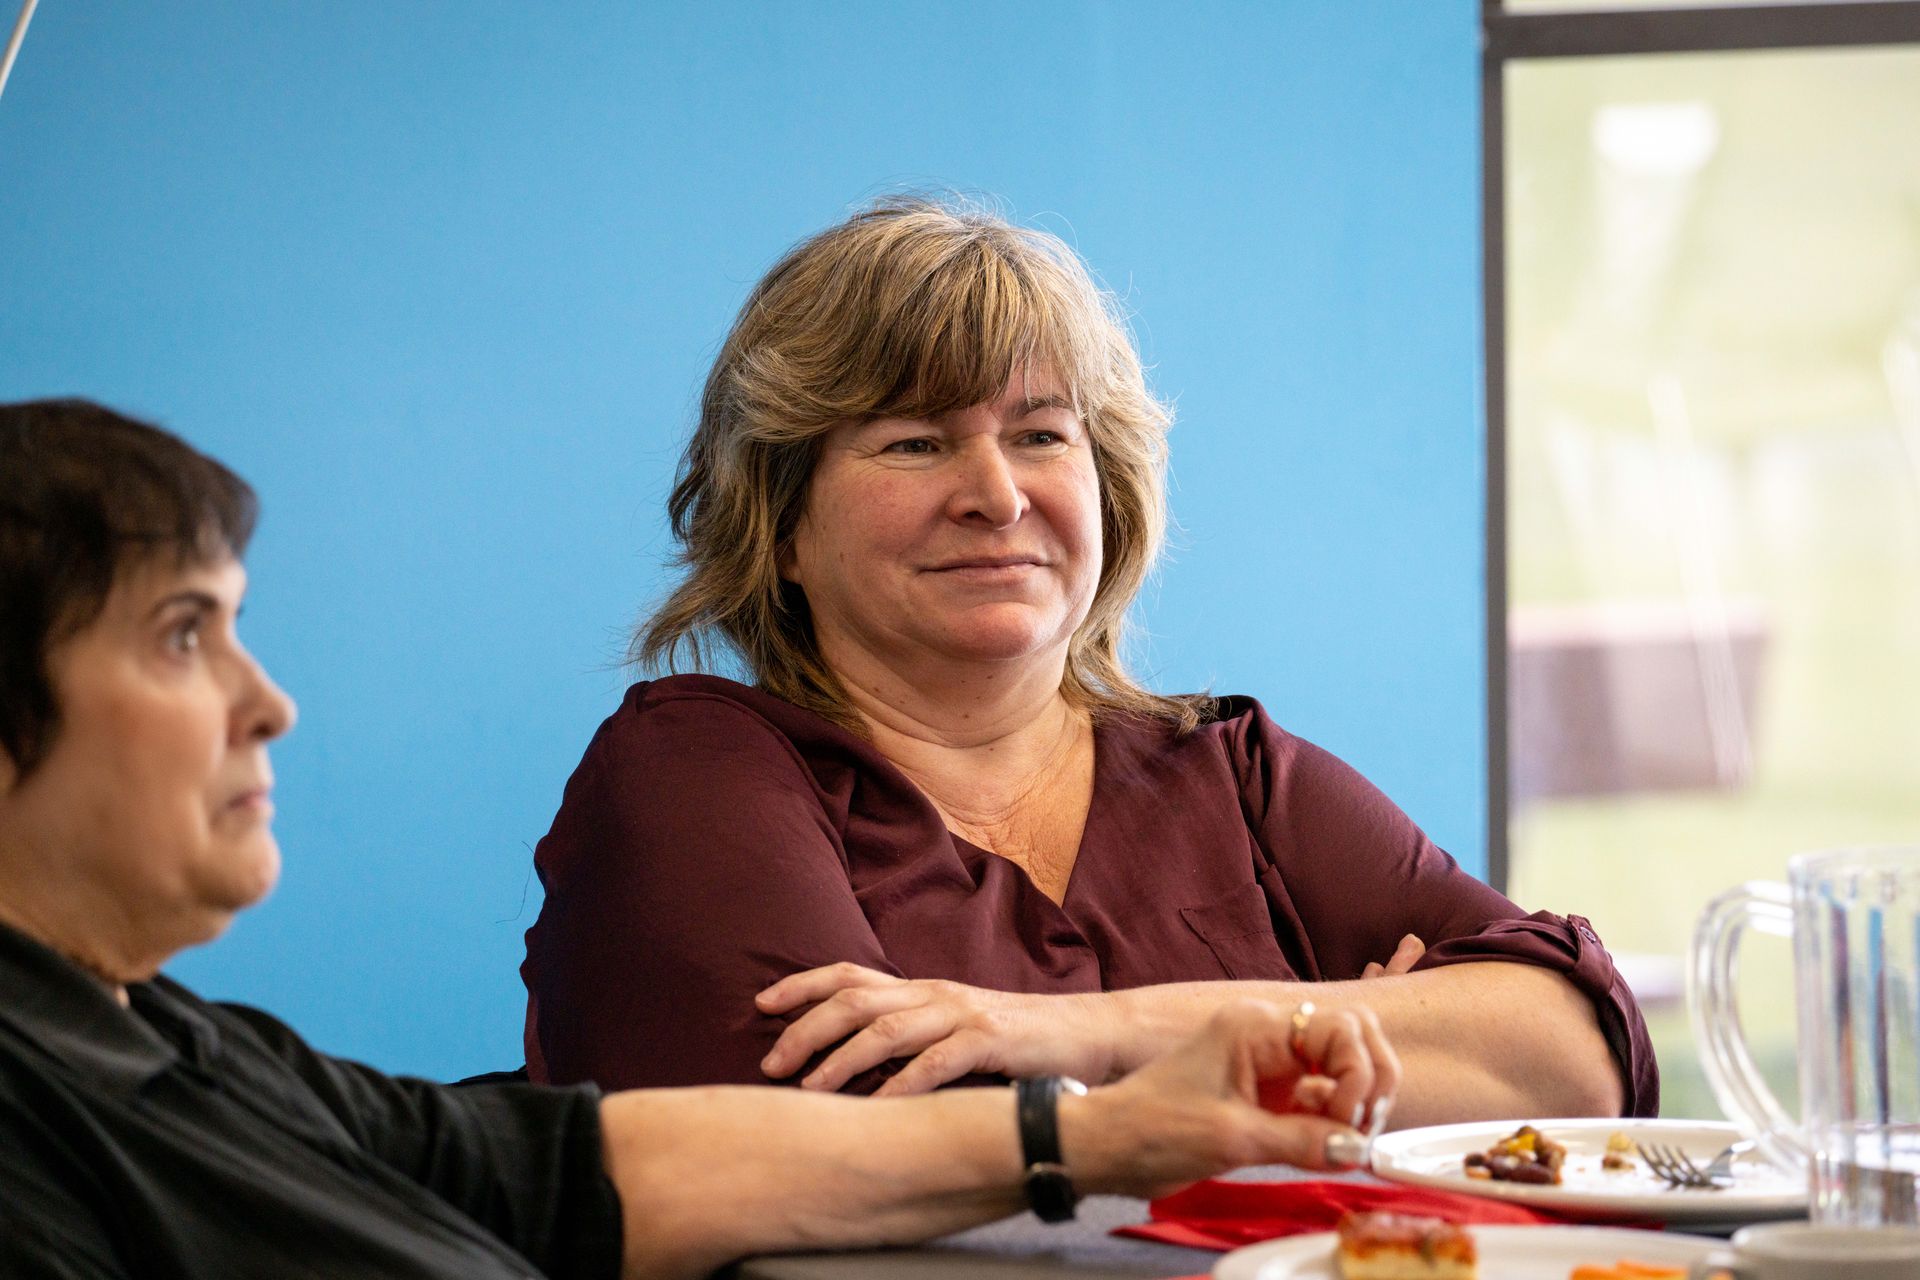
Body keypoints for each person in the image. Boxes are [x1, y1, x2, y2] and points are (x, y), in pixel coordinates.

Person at [0, 398, 1398, 1279]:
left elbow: (583, 1172)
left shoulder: (181, 1049)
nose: (269, 703)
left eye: (1042, 433)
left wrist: (1109, 1129)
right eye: (185, 635)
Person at [519, 197, 1657, 1123]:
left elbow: (1575, 1053)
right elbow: (850, 1144)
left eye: (1040, 434)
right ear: (783, 525)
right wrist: (1330, 1042)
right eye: (916, 441)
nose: (998, 494)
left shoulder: (1234, 774)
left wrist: (1071, 1031)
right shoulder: (695, 772)